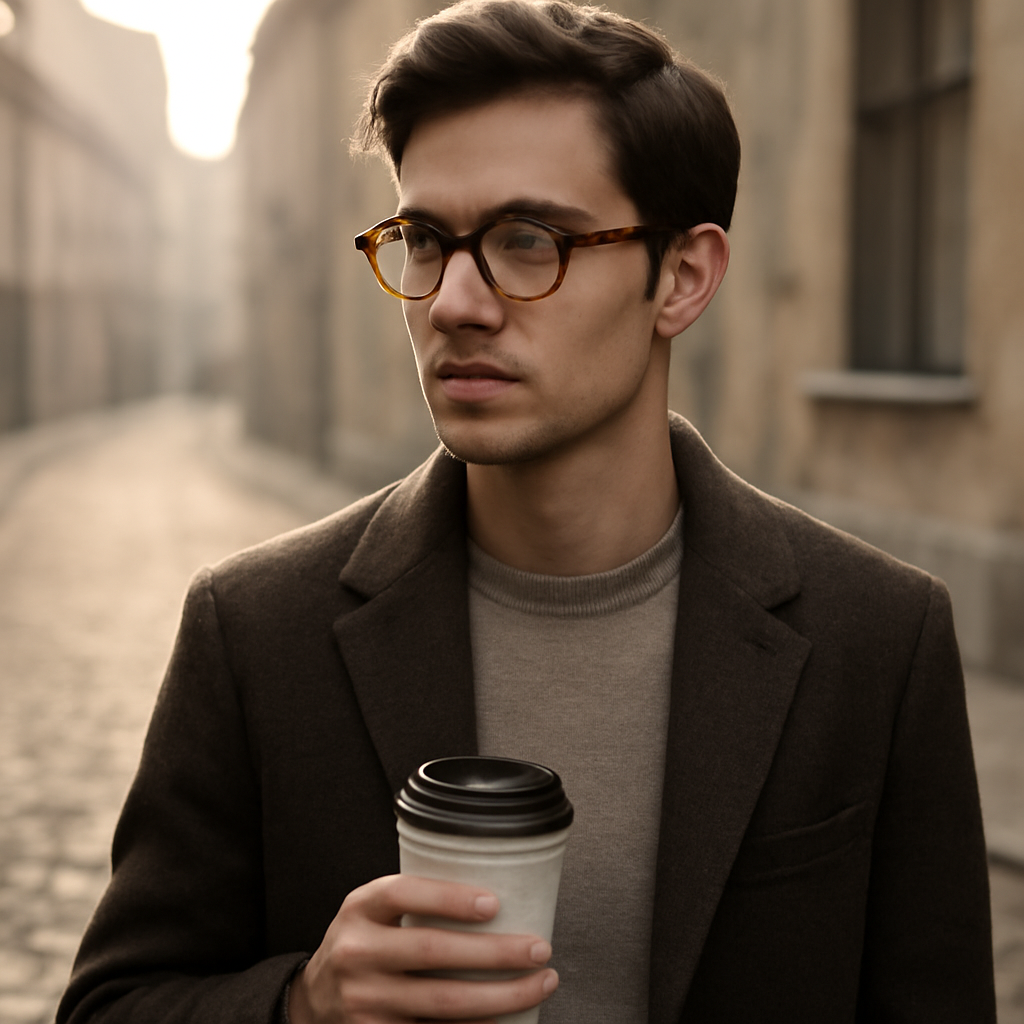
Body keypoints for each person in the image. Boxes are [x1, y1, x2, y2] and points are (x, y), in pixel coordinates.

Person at [58, 1, 996, 1022]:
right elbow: (116, 1000)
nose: (454, 300)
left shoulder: (878, 638)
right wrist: (302, 1003)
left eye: (526, 239)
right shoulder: (254, 631)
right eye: (423, 239)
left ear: (681, 277)